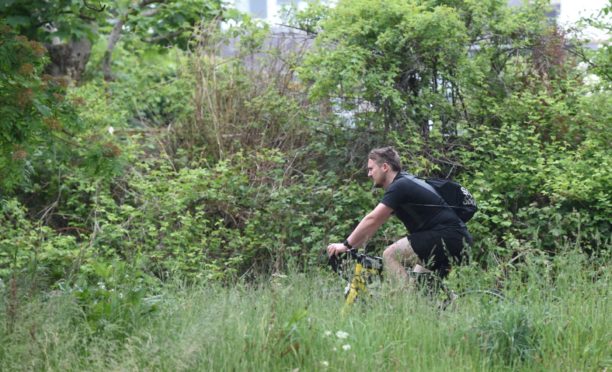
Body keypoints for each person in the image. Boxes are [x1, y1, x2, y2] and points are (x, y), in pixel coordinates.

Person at [326, 146, 472, 283]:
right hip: (456, 239)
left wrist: (345, 245)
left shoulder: (400, 186)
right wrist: (352, 247)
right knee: (423, 288)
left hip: (447, 236)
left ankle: (407, 305)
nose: (369, 174)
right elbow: (374, 225)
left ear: (385, 167)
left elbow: (373, 219)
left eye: (371, 169)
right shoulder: (405, 182)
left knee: (390, 255)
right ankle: (449, 306)